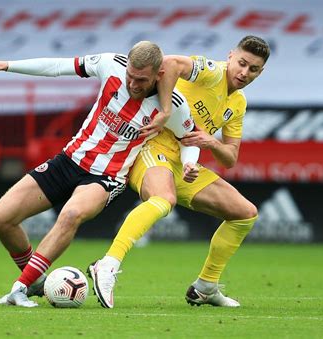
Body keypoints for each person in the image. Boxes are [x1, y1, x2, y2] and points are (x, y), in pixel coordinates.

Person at [0, 41, 200, 307]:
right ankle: (36, 280)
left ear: (158, 75)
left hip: (106, 177)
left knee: (71, 214)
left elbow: (189, 139)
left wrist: (190, 162)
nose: (133, 84)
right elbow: (57, 66)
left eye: (141, 80)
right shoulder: (110, 64)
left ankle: (20, 288)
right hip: (69, 160)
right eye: (130, 77)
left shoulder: (174, 106)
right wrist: (5, 65)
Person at [88, 35, 270, 308]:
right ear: (230, 56)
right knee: (163, 199)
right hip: (152, 147)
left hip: (186, 164)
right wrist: (164, 110)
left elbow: (231, 157)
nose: (244, 73)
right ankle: (108, 264)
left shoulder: (238, 103)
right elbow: (170, 63)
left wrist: (211, 142)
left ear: (260, 72)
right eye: (242, 63)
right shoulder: (211, 71)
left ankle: (206, 286)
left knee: (245, 214)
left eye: (253, 69)